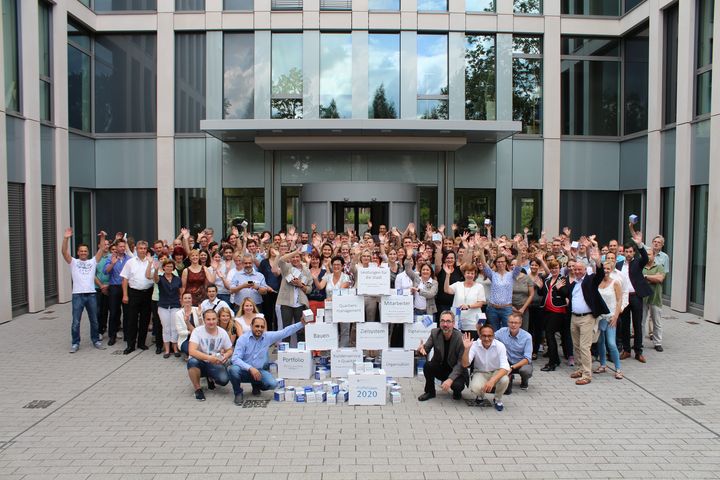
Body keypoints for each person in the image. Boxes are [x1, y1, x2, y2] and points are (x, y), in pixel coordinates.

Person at [229, 314, 312, 404]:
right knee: (233, 369)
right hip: (244, 370)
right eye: (257, 326)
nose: (259, 329)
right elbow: (235, 359)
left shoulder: (267, 337)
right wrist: (250, 368)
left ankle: (256, 384)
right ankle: (238, 393)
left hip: (259, 371)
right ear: (251, 326)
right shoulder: (243, 339)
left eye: (262, 327)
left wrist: (301, 323)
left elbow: (285, 332)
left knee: (273, 384)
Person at [565, 242, 608, 385]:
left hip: (587, 318)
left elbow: (600, 275)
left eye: (579, 269)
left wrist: (598, 262)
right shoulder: (574, 283)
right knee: (576, 346)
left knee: (584, 347)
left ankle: (587, 374)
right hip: (574, 317)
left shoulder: (590, 280)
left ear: (585, 270)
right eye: (575, 269)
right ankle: (579, 368)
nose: (576, 271)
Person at [61, 227, 108, 353]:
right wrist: (66, 238)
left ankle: (96, 340)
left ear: (88, 252)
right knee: (76, 321)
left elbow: (102, 249)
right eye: (81, 251)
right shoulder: (74, 262)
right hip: (78, 295)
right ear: (78, 252)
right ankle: (75, 343)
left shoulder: (92, 262)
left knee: (94, 320)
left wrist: (102, 237)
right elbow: (64, 252)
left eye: (85, 251)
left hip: (91, 295)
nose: (83, 253)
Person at [415, 310, 468, 401]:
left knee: (457, 386)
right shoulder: (435, 333)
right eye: (442, 321)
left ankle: (457, 392)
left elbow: (461, 363)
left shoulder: (460, 338)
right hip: (440, 368)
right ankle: (430, 392)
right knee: (428, 365)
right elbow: (425, 349)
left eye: (448, 321)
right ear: (440, 323)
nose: (445, 324)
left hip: (455, 369)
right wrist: (420, 350)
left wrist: (450, 380)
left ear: (453, 323)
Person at [618, 225, 652, 363]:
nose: (628, 253)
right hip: (624, 297)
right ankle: (626, 350)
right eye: (626, 251)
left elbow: (645, 257)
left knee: (637, 324)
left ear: (633, 252)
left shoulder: (638, 262)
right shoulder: (619, 265)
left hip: (636, 296)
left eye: (631, 251)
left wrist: (639, 244)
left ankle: (638, 351)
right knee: (625, 324)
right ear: (623, 252)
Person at [187, 309, 234, 401]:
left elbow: (230, 350)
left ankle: (210, 377)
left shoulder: (222, 332)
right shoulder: (197, 331)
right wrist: (209, 358)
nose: (211, 322)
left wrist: (225, 356)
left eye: (213, 319)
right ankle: (198, 389)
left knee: (223, 380)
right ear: (204, 320)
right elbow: (191, 351)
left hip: (215, 363)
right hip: (200, 361)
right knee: (192, 362)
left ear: (217, 320)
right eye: (208, 319)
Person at [462, 323, 510, 411]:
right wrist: (466, 349)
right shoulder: (474, 345)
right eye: (484, 336)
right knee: (475, 388)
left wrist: (492, 380)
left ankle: (498, 398)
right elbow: (465, 364)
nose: (487, 338)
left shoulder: (500, 346)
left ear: (494, 336)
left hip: (496, 371)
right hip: (480, 372)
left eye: (489, 336)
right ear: (480, 336)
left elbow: (505, 367)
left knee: (505, 379)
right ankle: (480, 396)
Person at [120, 240, 156, 354]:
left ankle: (141, 343)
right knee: (132, 320)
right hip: (134, 293)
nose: (143, 250)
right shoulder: (130, 262)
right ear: (136, 249)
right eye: (140, 248)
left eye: (145, 248)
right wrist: (125, 294)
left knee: (145, 319)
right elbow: (125, 279)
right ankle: (131, 345)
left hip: (147, 293)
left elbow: (154, 277)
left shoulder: (152, 262)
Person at [478, 249, 525, 331]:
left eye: (503, 261)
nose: (501, 263)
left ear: (506, 262)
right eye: (498, 262)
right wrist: (481, 251)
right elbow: (485, 265)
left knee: (507, 331)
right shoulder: (492, 274)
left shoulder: (511, 275)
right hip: (493, 309)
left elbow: (518, 267)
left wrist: (520, 252)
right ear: (496, 263)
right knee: (494, 331)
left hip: (506, 309)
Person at [277, 247, 313, 346]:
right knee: (286, 329)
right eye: (293, 257)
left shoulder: (306, 271)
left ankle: (301, 354)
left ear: (301, 258)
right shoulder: (286, 267)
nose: (295, 259)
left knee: (301, 329)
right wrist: (295, 251)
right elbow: (280, 260)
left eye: (297, 257)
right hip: (286, 303)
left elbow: (309, 289)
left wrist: (300, 284)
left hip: (300, 304)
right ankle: (285, 353)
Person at [595, 261, 623, 379]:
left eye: (608, 269)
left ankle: (618, 368)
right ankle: (602, 364)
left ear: (611, 270)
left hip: (611, 317)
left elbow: (619, 300)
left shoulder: (615, 283)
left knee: (611, 343)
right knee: (600, 342)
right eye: (604, 269)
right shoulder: (597, 283)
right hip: (599, 317)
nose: (606, 271)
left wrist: (616, 316)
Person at [151, 258, 182, 358]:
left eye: (171, 266)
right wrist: (155, 270)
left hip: (175, 305)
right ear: (163, 268)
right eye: (167, 266)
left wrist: (181, 302)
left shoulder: (177, 279)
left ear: (173, 268)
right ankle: (167, 350)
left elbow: (181, 292)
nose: (169, 268)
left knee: (174, 328)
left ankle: (175, 348)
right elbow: (155, 279)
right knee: (166, 328)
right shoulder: (160, 278)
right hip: (163, 306)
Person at [495, 313, 533, 394]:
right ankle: (508, 378)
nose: (513, 325)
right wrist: (479, 328)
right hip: (507, 362)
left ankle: (524, 380)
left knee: (526, 371)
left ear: (520, 324)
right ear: (507, 323)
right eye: (511, 322)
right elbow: (489, 338)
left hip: (521, 363)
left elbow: (527, 359)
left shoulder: (527, 336)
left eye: (516, 323)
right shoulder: (501, 332)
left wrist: (512, 367)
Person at [444, 263, 485, 336]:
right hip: (458, 322)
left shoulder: (479, 286)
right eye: (468, 273)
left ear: (475, 275)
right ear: (464, 274)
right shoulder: (458, 284)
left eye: (472, 273)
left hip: (472, 323)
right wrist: (447, 275)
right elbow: (447, 290)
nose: (470, 275)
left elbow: (480, 303)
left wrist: (468, 306)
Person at [105, 237, 132, 346]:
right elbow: (106, 271)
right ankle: (112, 336)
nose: (122, 248)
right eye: (120, 246)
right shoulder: (110, 258)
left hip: (126, 287)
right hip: (114, 287)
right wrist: (112, 263)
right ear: (116, 247)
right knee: (113, 313)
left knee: (127, 313)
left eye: (123, 246)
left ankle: (127, 334)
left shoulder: (129, 259)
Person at [643, 249, 666, 352]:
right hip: (643, 298)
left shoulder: (659, 266)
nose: (648, 256)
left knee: (657, 322)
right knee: (641, 322)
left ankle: (658, 343)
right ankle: (640, 342)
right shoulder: (641, 266)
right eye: (646, 254)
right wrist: (653, 278)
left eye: (650, 254)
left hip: (656, 298)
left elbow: (660, 278)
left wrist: (646, 277)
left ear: (654, 255)